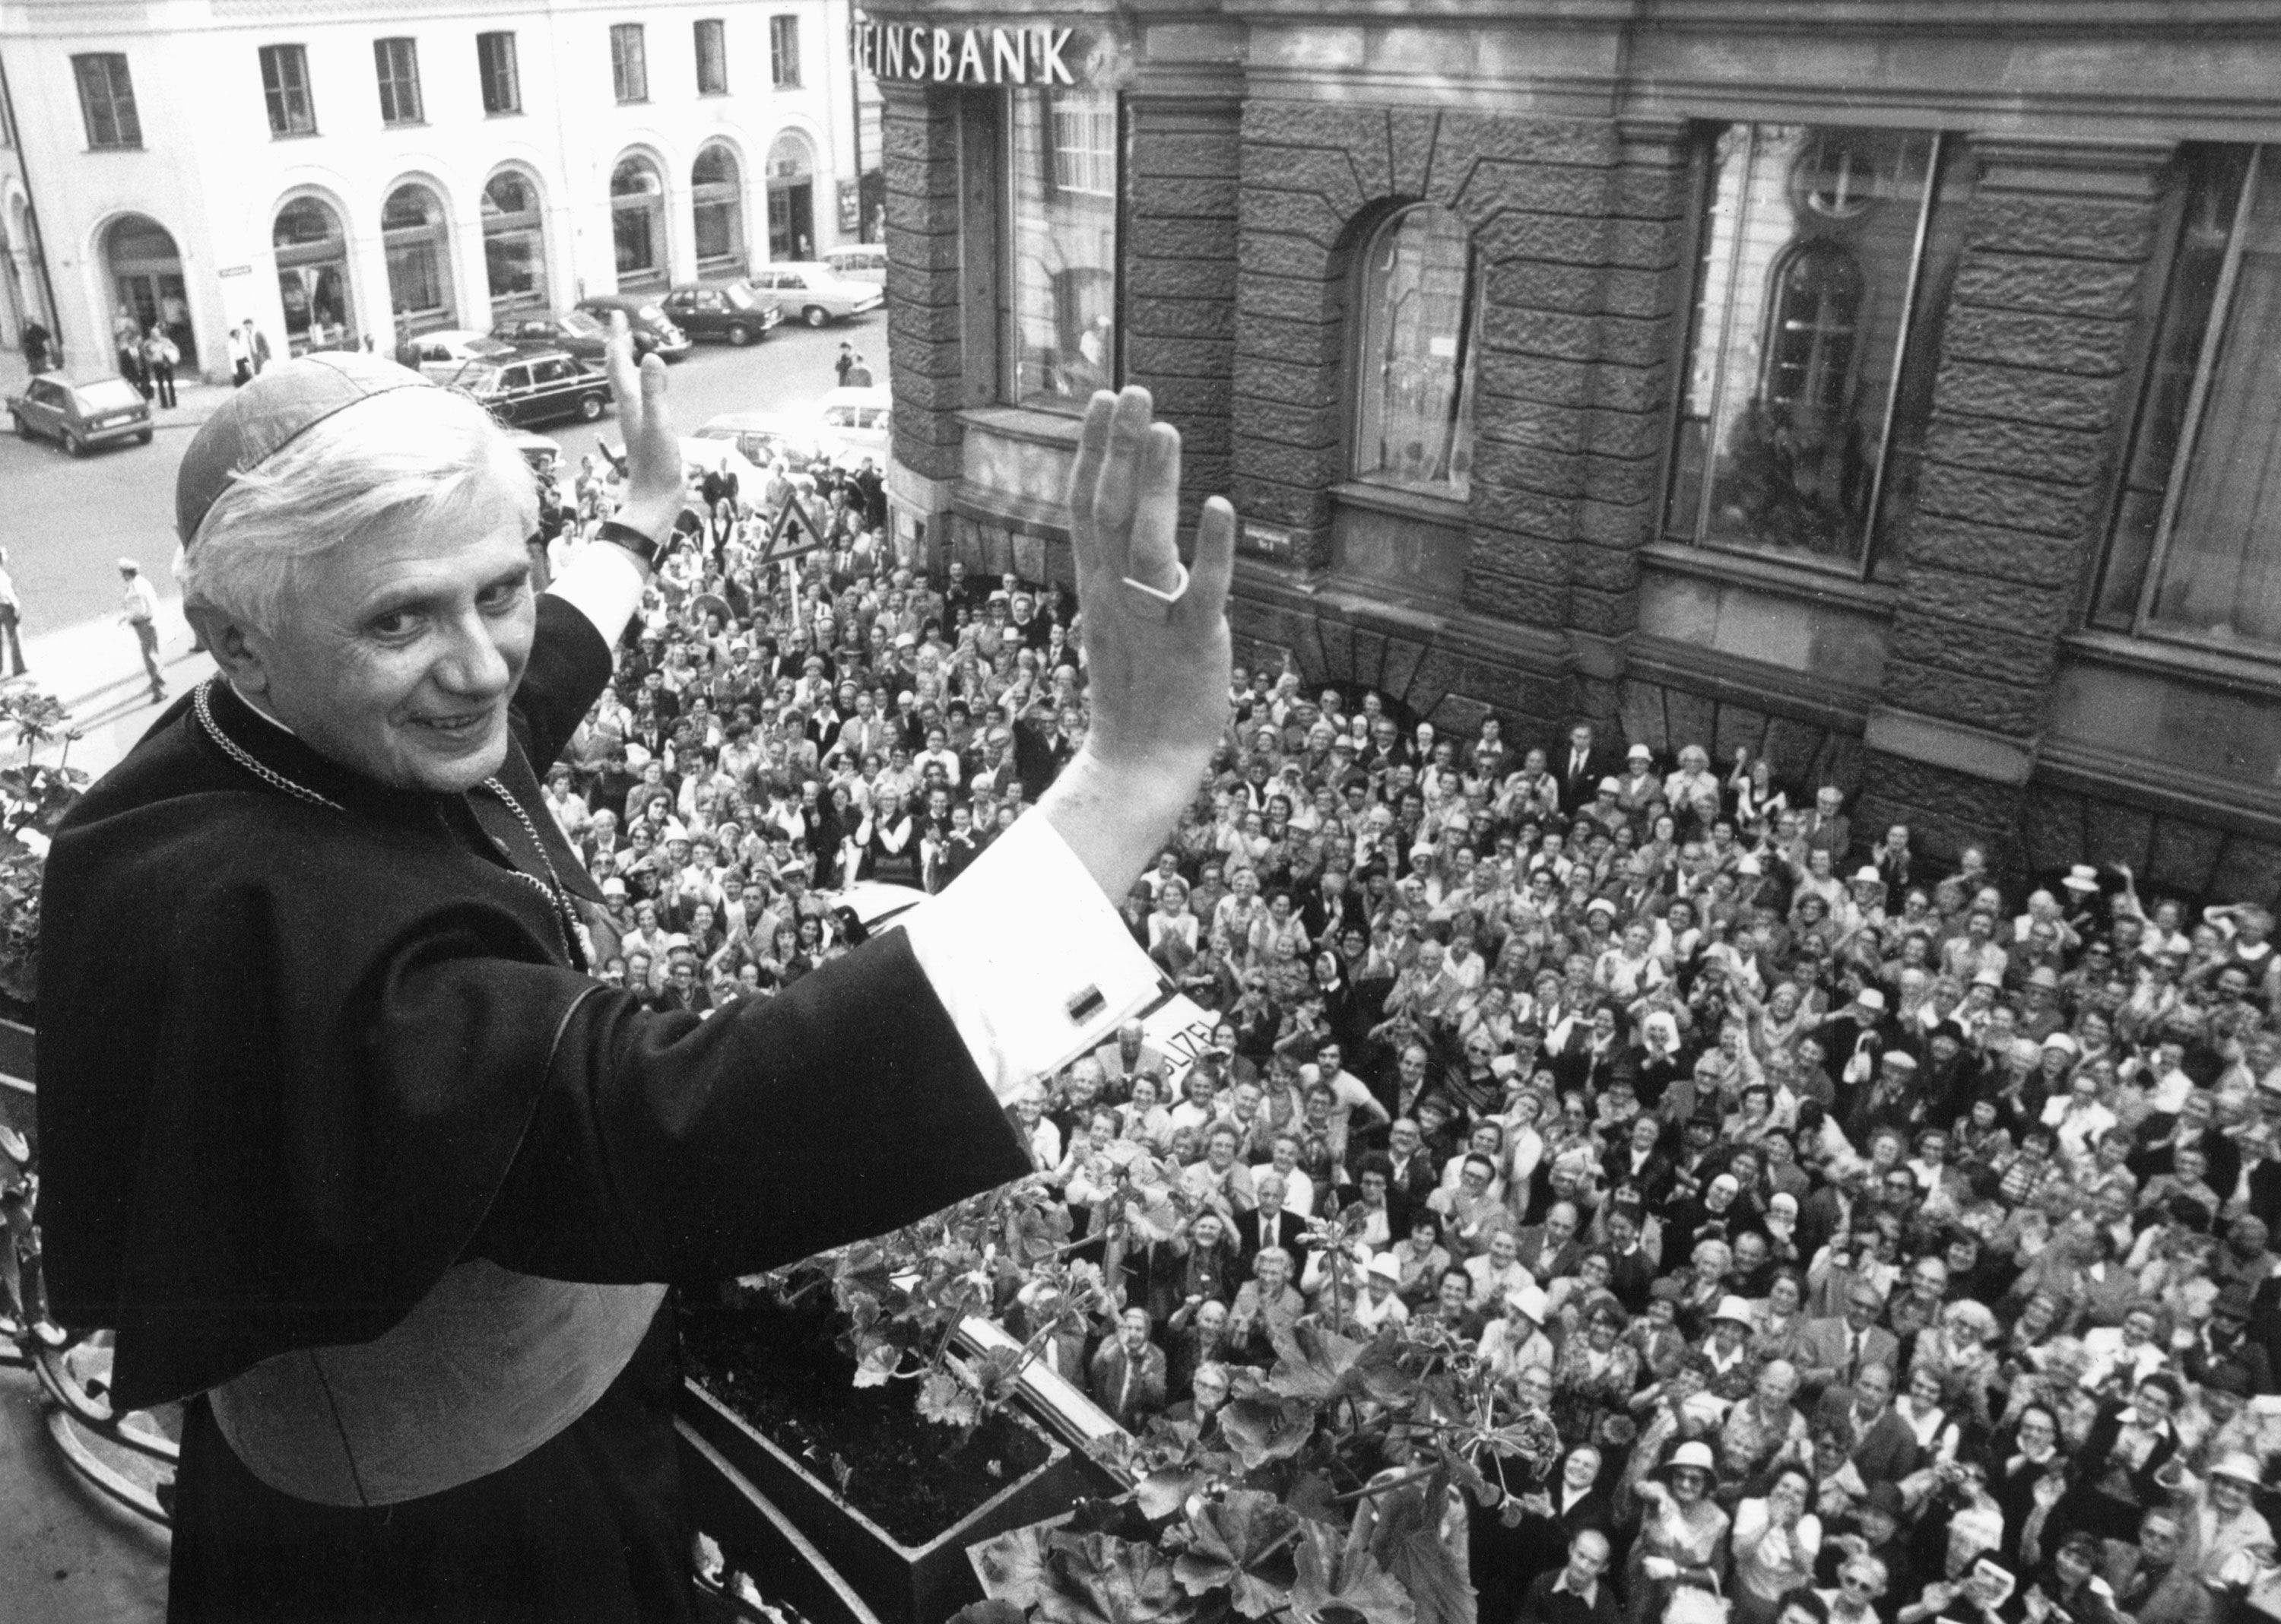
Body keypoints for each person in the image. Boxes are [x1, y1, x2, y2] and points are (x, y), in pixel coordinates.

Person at [37, 328, 1240, 1619]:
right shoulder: (312, 957)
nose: (480, 663)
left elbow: (537, 672)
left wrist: (645, 513)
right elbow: (703, 1125)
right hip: (457, 1543)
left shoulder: (279, 729)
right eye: (402, 617)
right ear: (237, 635)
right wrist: (1130, 773)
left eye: (496, 587)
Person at [116, 555, 163, 703]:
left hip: (144, 625)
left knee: (149, 657)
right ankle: (160, 680)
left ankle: (158, 692)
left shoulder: (135, 588)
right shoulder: (142, 582)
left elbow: (140, 610)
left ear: (127, 572)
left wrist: (127, 617)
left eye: (122, 572)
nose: (121, 576)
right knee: (154, 653)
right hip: (152, 622)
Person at [0, 547, 27, 678]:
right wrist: (16, 606)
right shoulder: (2, 575)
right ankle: (18, 667)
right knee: (14, 636)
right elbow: (6, 592)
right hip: (5, 606)